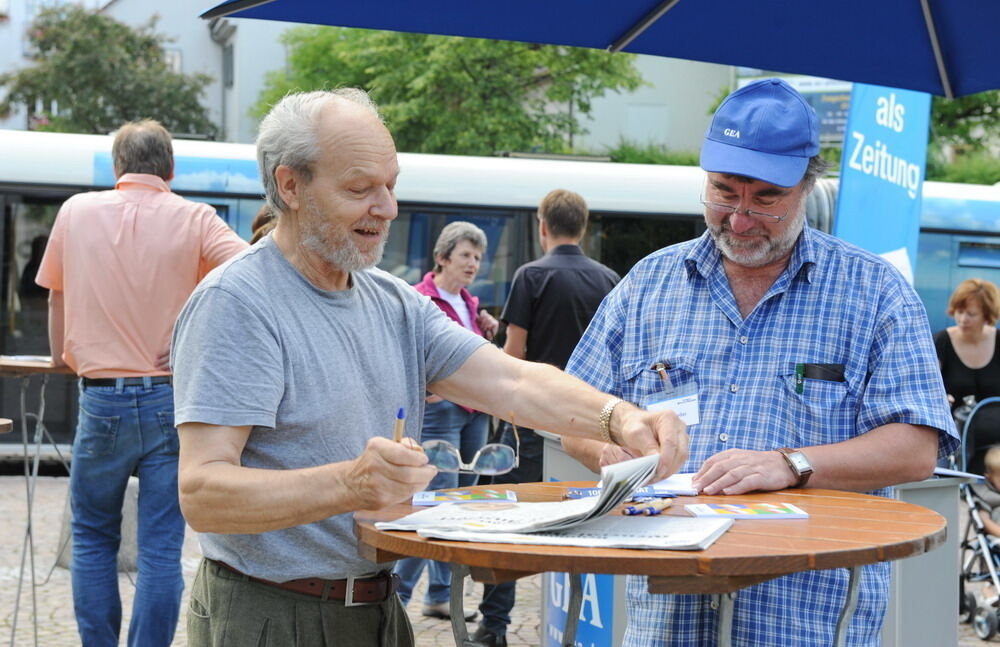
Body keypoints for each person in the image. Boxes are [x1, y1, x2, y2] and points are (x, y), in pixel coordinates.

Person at [170, 88, 688, 647]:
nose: (388, 208)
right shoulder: (238, 302)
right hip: (270, 614)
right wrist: (350, 483)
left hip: (376, 607)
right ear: (290, 185)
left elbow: (511, 379)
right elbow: (203, 494)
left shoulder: (392, 301)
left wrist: (618, 417)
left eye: (391, 185)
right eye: (360, 189)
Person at [562, 77, 958, 647]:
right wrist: (612, 448)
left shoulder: (874, 291)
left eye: (766, 198)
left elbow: (917, 449)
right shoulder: (649, 283)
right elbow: (576, 409)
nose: (739, 218)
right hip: (665, 615)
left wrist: (791, 463)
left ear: (807, 188)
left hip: (808, 613)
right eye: (723, 192)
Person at [35, 119, 248, 647]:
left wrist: (63, 354)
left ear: (117, 168)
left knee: (91, 538)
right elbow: (250, 274)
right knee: (159, 548)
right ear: (171, 170)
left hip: (101, 396)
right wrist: (188, 338)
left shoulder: (76, 212)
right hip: (169, 400)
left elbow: (55, 296)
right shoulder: (196, 217)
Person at [471, 189, 619, 647]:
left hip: (532, 427)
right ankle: (583, 624)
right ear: (584, 226)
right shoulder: (609, 278)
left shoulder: (530, 275)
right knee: (590, 524)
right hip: (594, 428)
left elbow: (513, 359)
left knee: (513, 523)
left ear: (542, 227)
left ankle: (494, 626)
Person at [394, 220, 499, 620]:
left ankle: (438, 596)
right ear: (442, 258)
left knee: (461, 503)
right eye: (465, 256)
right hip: (439, 413)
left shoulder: (470, 303)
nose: (473, 264)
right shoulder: (418, 297)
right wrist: (423, 387)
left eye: (477, 257)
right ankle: (398, 596)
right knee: (438, 506)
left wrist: (487, 329)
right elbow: (404, 351)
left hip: (473, 411)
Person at [935, 279, 1000, 474]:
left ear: (987, 316)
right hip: (954, 436)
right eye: (959, 312)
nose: (963, 319)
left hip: (995, 435)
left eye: (971, 314)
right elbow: (927, 386)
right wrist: (940, 397)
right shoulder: (941, 342)